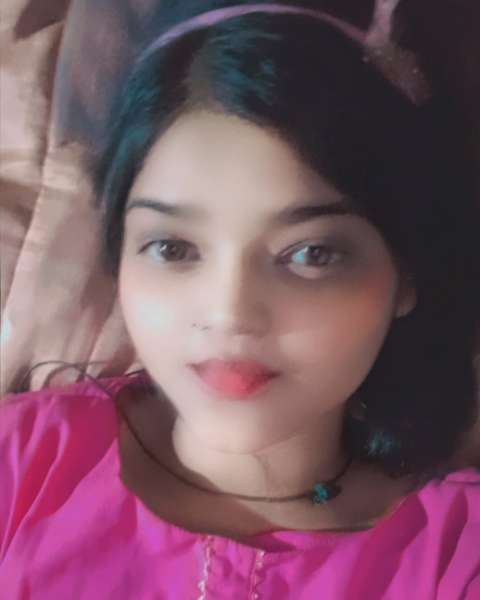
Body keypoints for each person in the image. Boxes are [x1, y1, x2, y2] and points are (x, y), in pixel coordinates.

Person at [1, 1, 479, 598]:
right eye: (173, 248)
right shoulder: (21, 462)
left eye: (312, 253)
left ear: (405, 274)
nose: (229, 313)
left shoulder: (456, 551)